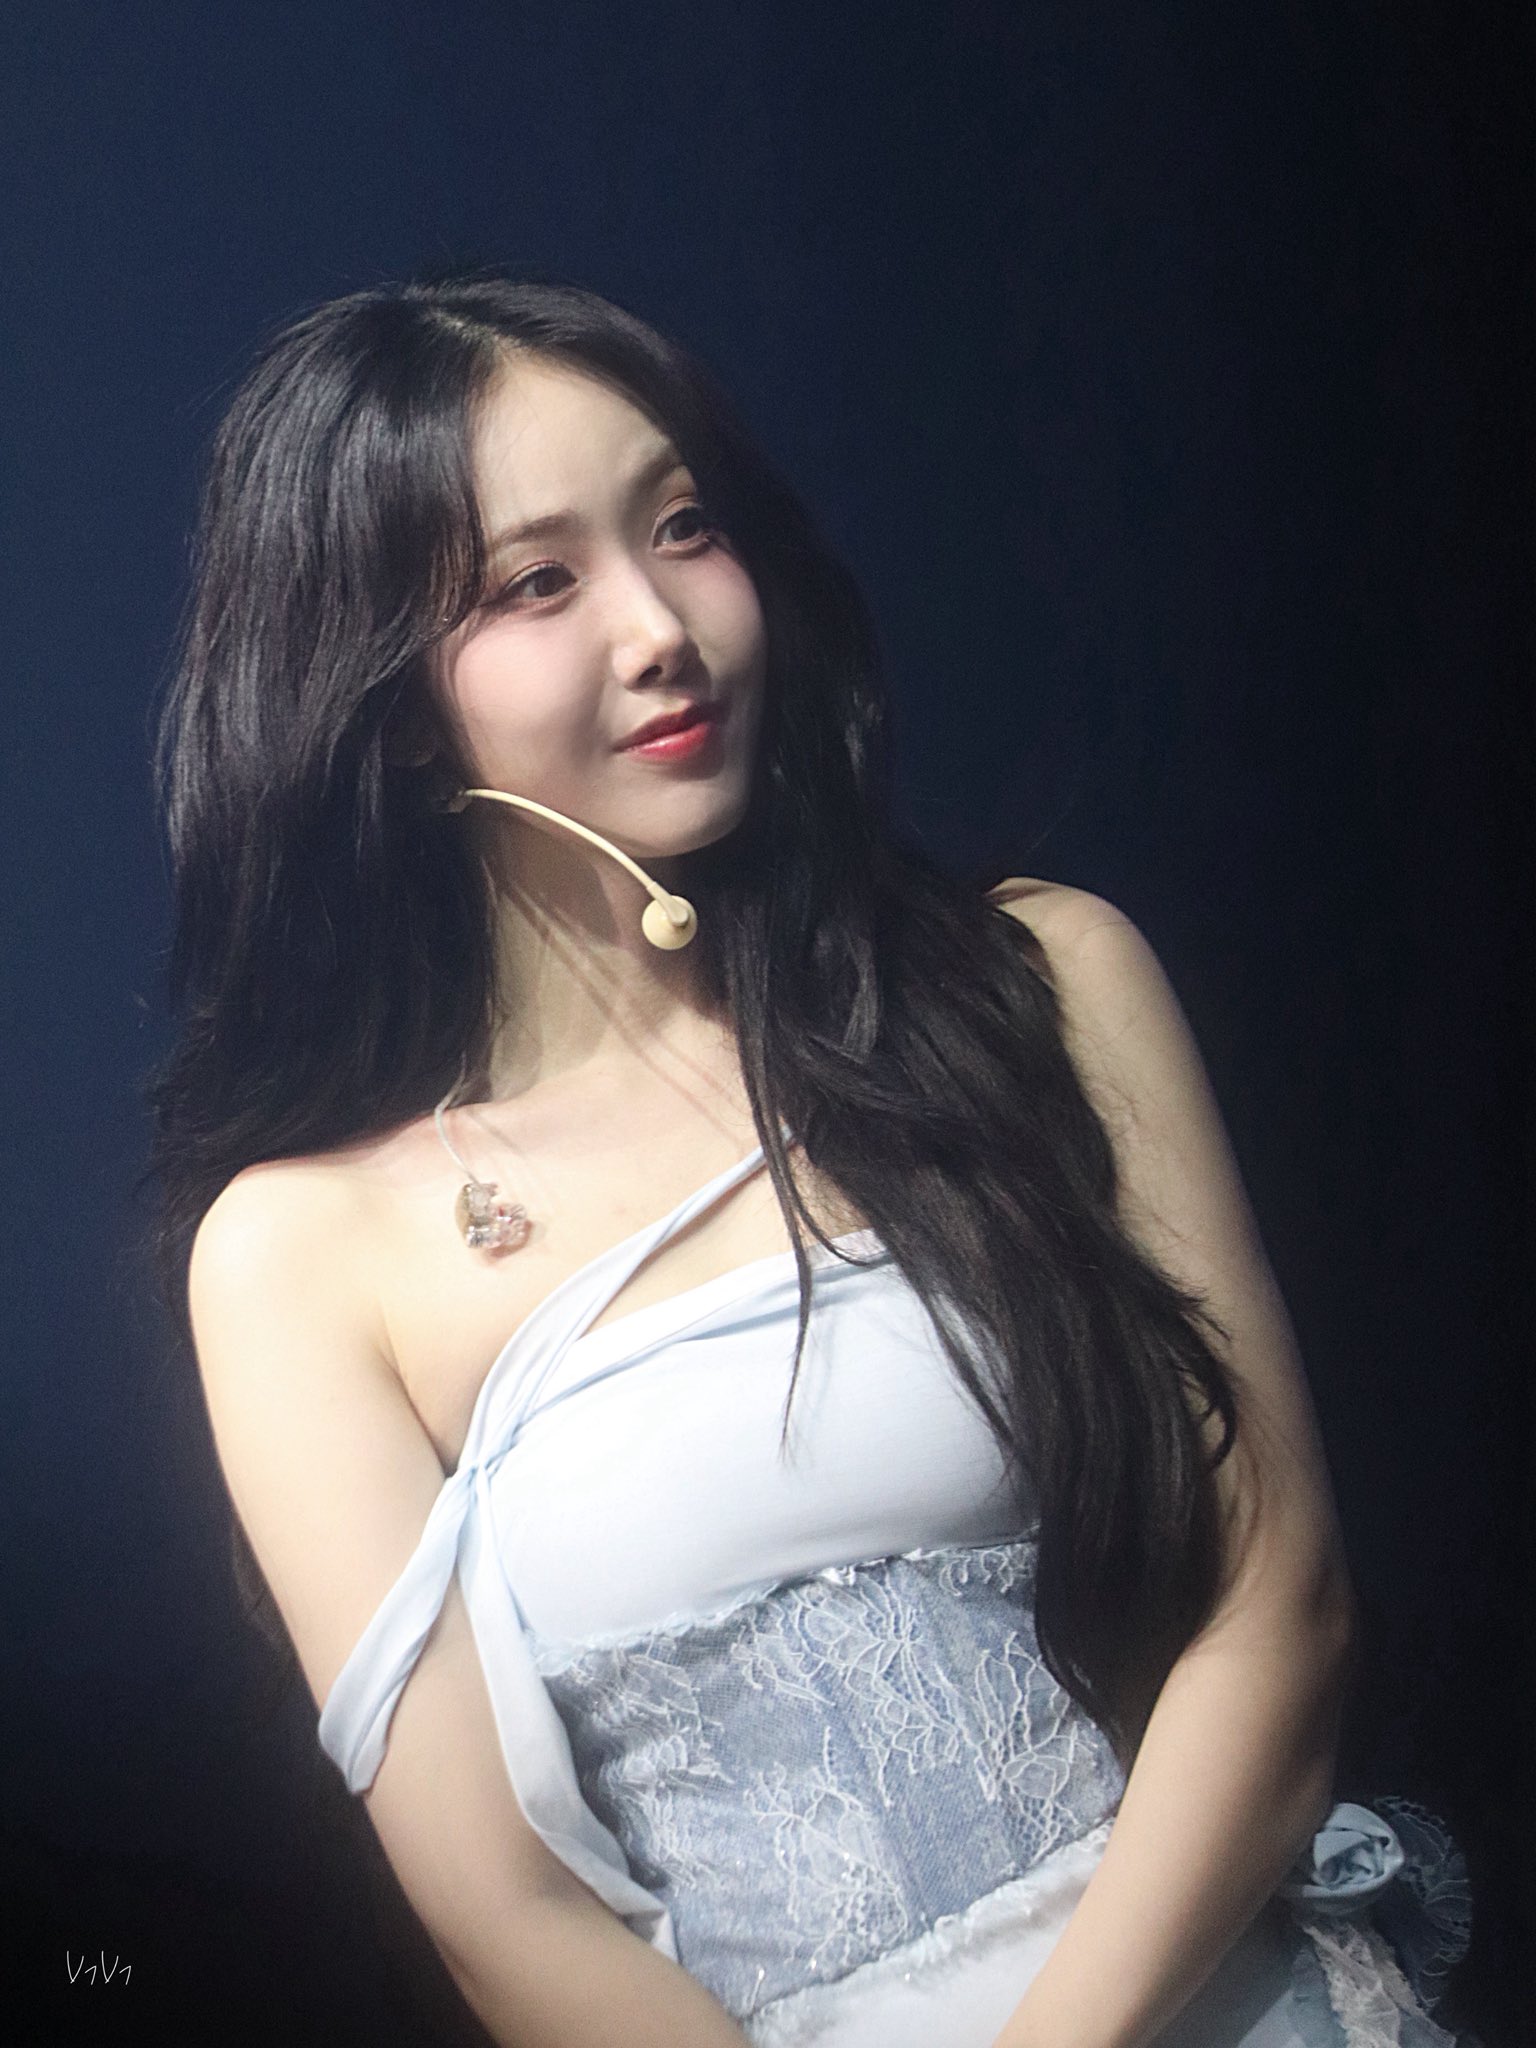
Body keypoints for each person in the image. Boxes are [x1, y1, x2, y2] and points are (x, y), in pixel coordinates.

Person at [148, 272, 1468, 2048]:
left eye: (681, 529)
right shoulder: (300, 1256)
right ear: (380, 706)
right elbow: (507, 1919)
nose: (659, 628)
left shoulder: (1044, 981)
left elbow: (1280, 1608)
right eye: (538, 583)